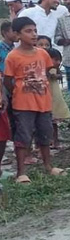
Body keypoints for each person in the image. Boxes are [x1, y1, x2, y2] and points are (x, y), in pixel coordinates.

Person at [4, 17, 65, 183]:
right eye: (28, 31)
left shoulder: (42, 53)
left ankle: (48, 166)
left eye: (35, 30)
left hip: (43, 103)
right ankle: (21, 172)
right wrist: (18, 93)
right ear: (17, 34)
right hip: (23, 105)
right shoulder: (13, 56)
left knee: (45, 134)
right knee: (23, 137)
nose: (33, 34)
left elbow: (47, 71)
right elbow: (8, 81)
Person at [45, 48, 70, 148]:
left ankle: (55, 141)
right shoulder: (44, 69)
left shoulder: (55, 69)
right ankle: (48, 141)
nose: (58, 62)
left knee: (54, 122)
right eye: (55, 59)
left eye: (59, 60)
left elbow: (59, 76)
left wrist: (55, 75)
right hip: (47, 97)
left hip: (55, 97)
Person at [0, 22, 16, 168]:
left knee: (12, 116)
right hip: (3, 85)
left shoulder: (15, 49)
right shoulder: (1, 49)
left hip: (12, 85)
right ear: (5, 32)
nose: (16, 33)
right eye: (13, 31)